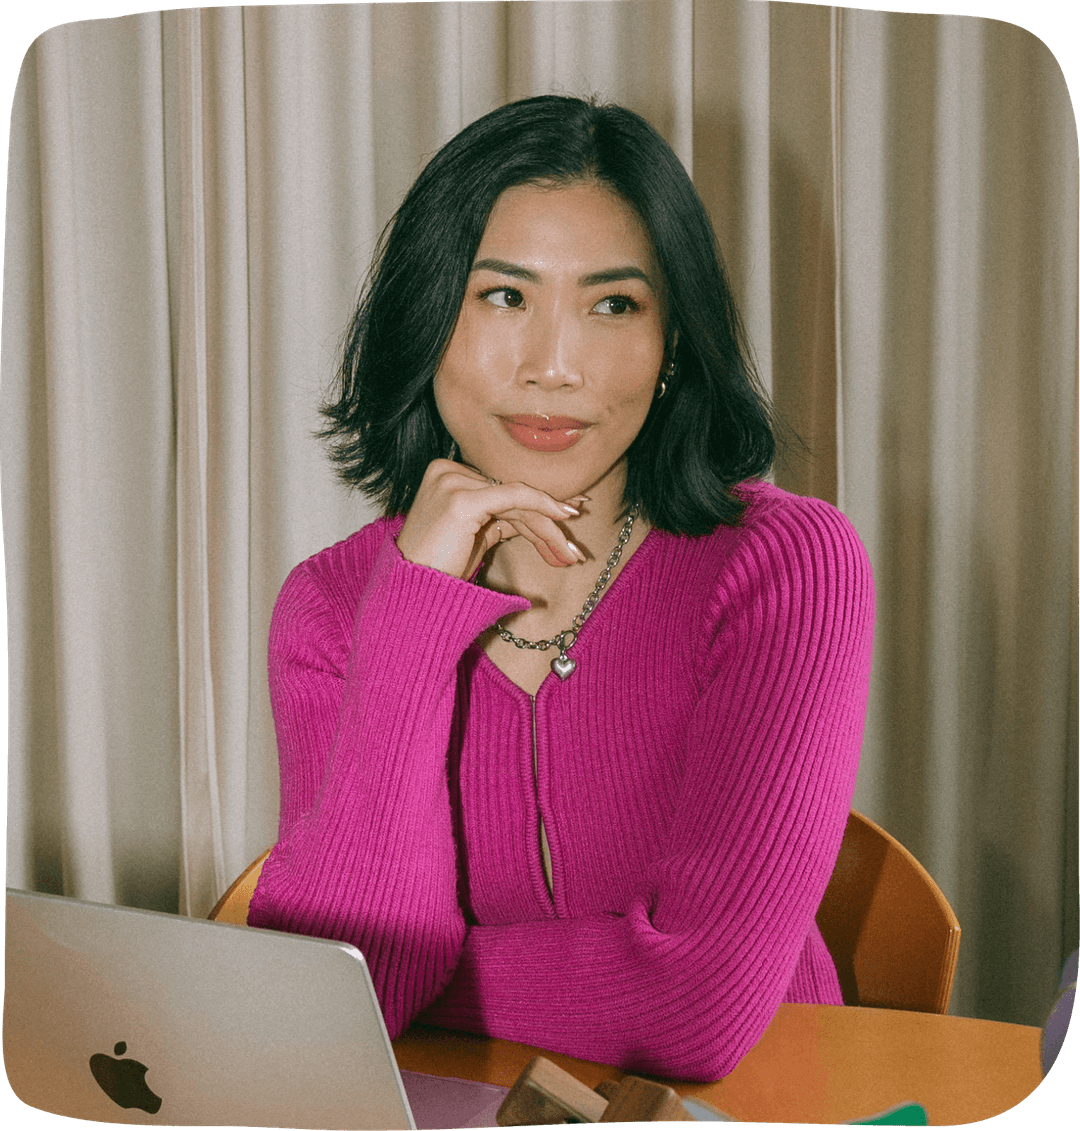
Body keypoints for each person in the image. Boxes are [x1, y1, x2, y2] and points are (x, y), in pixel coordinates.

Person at [247, 95, 875, 1082]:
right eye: (503, 296)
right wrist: (413, 608)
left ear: (673, 344)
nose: (553, 367)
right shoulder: (330, 609)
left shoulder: (786, 565)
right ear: (428, 321)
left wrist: (406, 978)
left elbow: (696, 1010)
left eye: (613, 304)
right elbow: (326, 997)